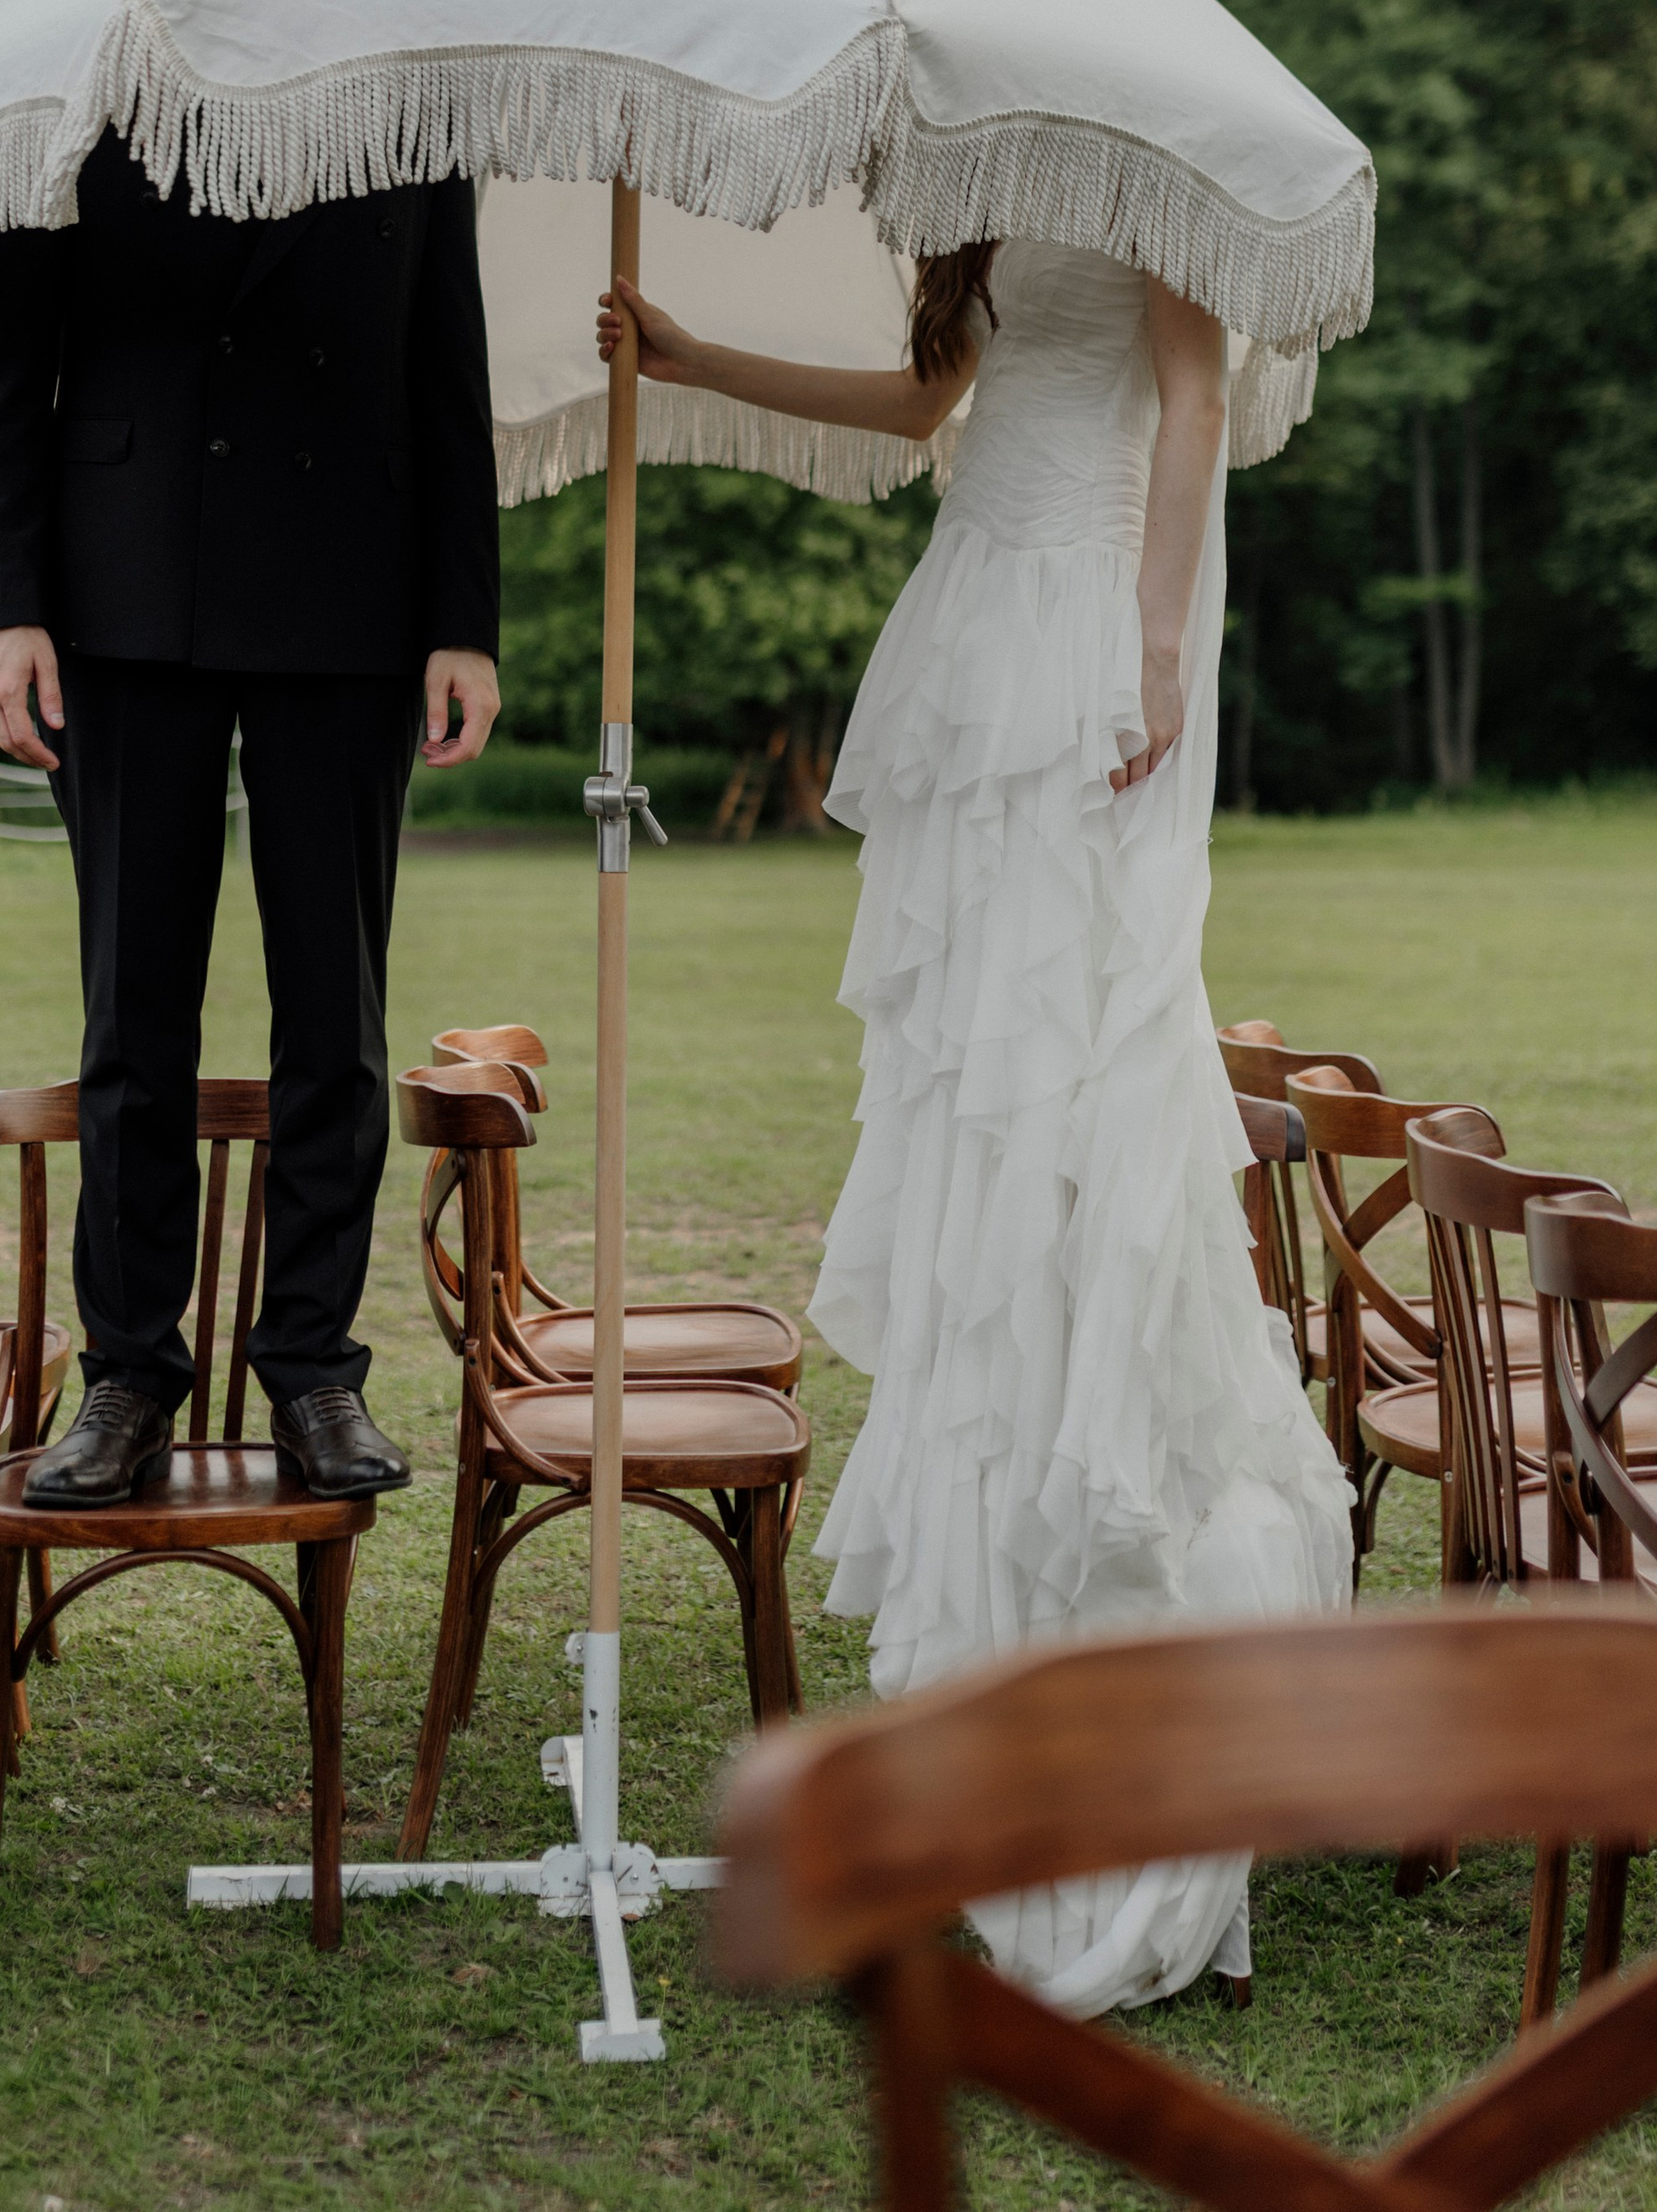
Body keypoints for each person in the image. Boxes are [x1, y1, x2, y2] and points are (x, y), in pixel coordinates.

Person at [598, 234, 1349, 2013]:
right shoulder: (978, 205)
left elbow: (1192, 391)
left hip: (1086, 626)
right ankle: (993, 1619)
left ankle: (1117, 1560)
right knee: (969, 1088)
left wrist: (1152, 639)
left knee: (1074, 1059)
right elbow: (929, 404)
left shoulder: (1148, 180)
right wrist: (702, 363)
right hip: (969, 617)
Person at [0, 129, 501, 1506]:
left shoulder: (416, 119)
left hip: (352, 600)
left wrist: (462, 622)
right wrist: (0, 605)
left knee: (337, 1015)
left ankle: (315, 1370)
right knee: (132, 1014)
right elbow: (9, 364)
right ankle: (129, 1377)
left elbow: (451, 376)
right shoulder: (79, 101)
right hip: (122, 592)